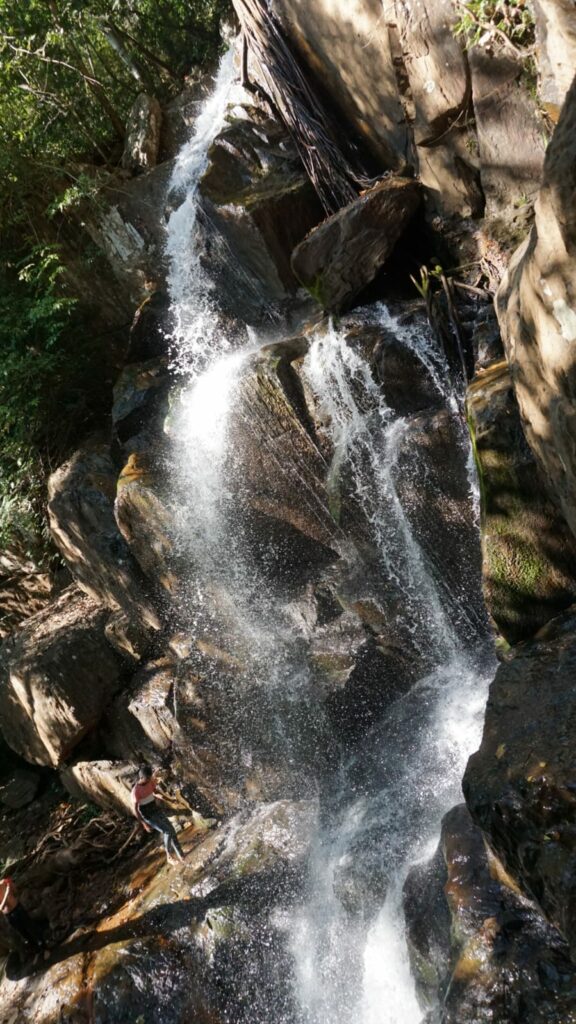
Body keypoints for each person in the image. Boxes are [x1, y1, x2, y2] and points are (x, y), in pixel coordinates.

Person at [131, 764, 185, 865]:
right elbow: (135, 809)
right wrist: (144, 824)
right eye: (148, 778)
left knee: (172, 830)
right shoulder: (135, 791)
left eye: (150, 777)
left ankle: (181, 855)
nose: (150, 780)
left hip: (155, 809)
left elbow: (156, 792)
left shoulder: (150, 782)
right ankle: (169, 856)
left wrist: (170, 800)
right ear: (141, 778)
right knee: (167, 831)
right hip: (147, 814)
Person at [0, 876, 46, 959]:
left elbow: (16, 892)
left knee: (31, 927)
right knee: (24, 934)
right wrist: (6, 893)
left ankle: (45, 948)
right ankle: (37, 951)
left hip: (18, 908)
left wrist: (12, 885)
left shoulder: (3, 883)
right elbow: (1, 908)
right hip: (9, 915)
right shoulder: (4, 888)